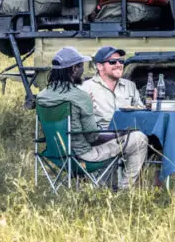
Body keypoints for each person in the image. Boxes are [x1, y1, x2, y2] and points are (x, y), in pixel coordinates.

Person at [36, 46, 147, 189]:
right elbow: (92, 137)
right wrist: (119, 135)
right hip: (84, 156)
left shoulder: (42, 95)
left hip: (55, 154)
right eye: (81, 66)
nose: (83, 70)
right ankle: (125, 190)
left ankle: (104, 184)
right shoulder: (81, 96)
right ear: (74, 69)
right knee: (139, 139)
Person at [81, 46, 144, 130]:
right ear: (100, 66)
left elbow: (141, 112)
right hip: (101, 134)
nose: (119, 65)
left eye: (121, 61)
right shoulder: (86, 88)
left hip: (127, 131)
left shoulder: (130, 86)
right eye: (112, 62)